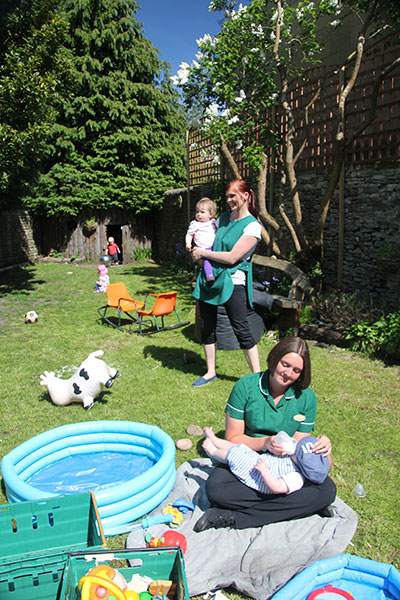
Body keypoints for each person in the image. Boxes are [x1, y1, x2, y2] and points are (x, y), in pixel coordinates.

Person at [194, 336, 337, 532]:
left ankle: (232, 517)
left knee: (327, 490)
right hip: (248, 457)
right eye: (285, 365)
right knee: (217, 488)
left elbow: (301, 450)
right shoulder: (246, 386)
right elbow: (233, 439)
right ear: (275, 358)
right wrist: (265, 443)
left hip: (285, 466)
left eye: (296, 371)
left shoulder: (306, 398)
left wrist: (324, 447)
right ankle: (298, 506)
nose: (288, 374)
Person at [191, 179, 262, 387]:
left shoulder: (252, 226)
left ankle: (256, 376)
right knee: (207, 325)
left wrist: (203, 253)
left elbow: (232, 257)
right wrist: (196, 247)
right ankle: (210, 371)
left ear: (246, 196)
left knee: (241, 328)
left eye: (233, 196)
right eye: (227, 196)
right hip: (210, 279)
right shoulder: (222, 218)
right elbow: (204, 236)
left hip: (233, 280)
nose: (229, 200)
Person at [202, 427, 331, 495]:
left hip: (256, 474)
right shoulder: (293, 457)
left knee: (234, 456)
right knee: (239, 448)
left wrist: (265, 473)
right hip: (258, 459)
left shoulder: (296, 478)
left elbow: (278, 488)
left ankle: (213, 452)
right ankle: (215, 440)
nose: (295, 449)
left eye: (298, 452)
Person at [185, 197, 218, 284]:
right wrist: (188, 243)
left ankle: (216, 275)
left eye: (202, 212)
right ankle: (209, 276)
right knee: (206, 261)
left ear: (210, 214)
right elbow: (189, 234)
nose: (199, 214)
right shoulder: (195, 224)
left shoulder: (213, 222)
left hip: (214, 247)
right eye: (197, 212)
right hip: (202, 248)